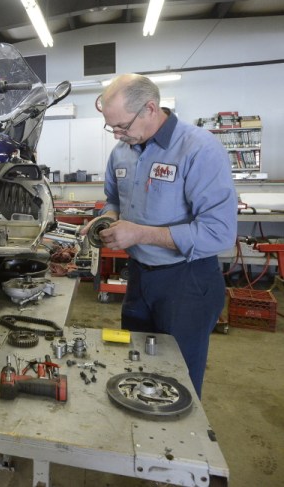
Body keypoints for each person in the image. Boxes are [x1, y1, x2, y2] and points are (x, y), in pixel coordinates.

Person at [83, 74, 238, 398]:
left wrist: (140, 233)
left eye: (122, 126)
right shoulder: (121, 152)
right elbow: (114, 201)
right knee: (136, 367)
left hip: (187, 281)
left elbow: (219, 232)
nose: (117, 134)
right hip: (140, 279)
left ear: (150, 109)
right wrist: (107, 218)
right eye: (111, 127)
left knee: (178, 383)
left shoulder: (199, 149)